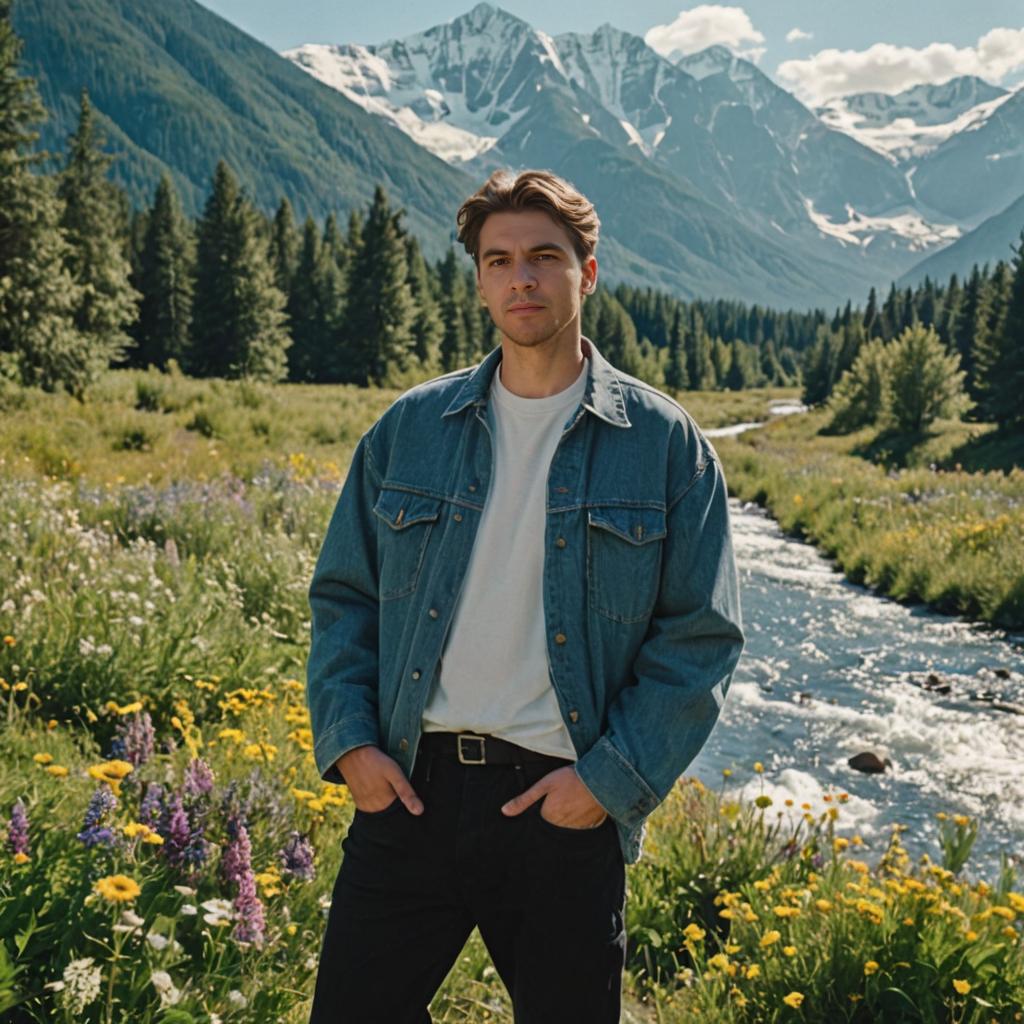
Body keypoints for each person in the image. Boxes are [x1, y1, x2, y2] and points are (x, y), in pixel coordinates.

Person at [306, 168, 745, 1023]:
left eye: (546, 256)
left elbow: (701, 640)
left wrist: (608, 784)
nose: (523, 278)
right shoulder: (409, 429)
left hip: (562, 809)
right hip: (409, 794)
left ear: (588, 271)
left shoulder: (664, 446)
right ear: (478, 280)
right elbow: (344, 598)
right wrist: (352, 744)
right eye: (499, 260)